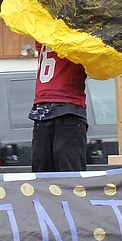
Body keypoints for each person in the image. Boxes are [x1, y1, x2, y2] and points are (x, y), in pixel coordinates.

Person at [29, 44, 88, 173]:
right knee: (68, 176)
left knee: (46, 176)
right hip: (64, 106)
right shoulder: (72, 36)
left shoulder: (46, 35)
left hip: (47, 107)